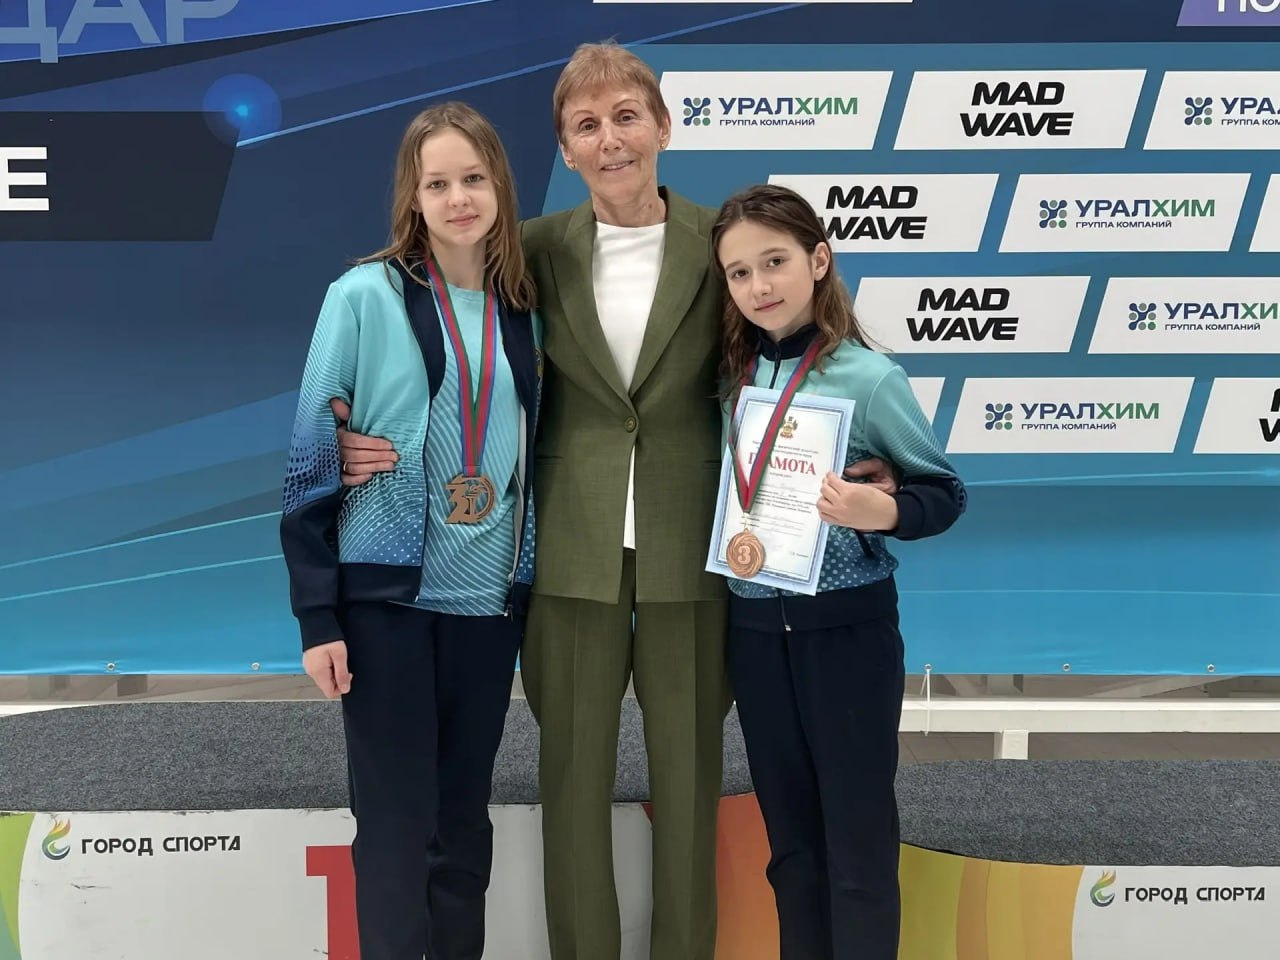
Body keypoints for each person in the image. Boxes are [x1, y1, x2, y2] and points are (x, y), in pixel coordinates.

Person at [331, 43, 895, 960]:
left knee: (689, 789)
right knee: (571, 789)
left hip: (698, 550)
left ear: (662, 126)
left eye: (627, 117)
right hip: (569, 552)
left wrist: (873, 463)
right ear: (565, 147)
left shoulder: (722, 244)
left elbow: (799, 345)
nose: (610, 140)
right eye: (586, 125)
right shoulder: (529, 248)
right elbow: (441, 325)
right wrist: (348, 435)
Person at [278, 101, 541, 960]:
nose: (458, 198)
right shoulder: (362, 295)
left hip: (487, 608)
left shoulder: (526, 308)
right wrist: (318, 616)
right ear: (413, 197)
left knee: (463, 824)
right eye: (438, 183)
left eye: (474, 178)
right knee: (396, 827)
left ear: (499, 186)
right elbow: (312, 454)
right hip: (386, 603)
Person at [710, 183, 965, 960]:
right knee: (791, 850)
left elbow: (943, 493)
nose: (759, 285)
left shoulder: (869, 377)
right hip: (756, 638)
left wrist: (879, 509)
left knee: (857, 847)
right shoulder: (730, 378)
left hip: (847, 636)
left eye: (776, 262)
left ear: (819, 260)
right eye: (739, 272)